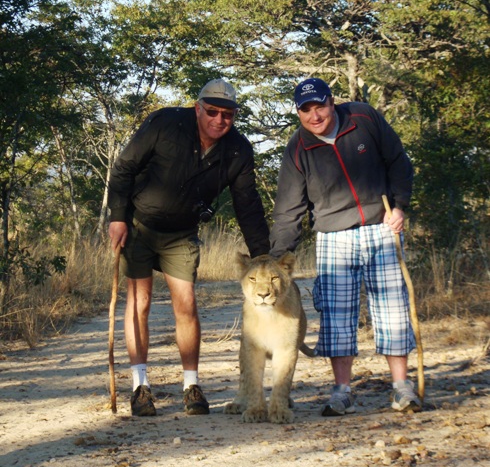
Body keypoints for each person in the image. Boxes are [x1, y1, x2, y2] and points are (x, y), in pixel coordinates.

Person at [108, 79, 270, 417]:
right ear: (198, 108)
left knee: (187, 304)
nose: (219, 120)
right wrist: (118, 217)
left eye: (227, 114)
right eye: (212, 111)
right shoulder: (164, 123)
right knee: (140, 303)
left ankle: (191, 385)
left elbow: (248, 203)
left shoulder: (238, 150)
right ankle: (140, 387)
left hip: (182, 233)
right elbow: (124, 167)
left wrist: (261, 256)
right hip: (139, 225)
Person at [269, 77, 422, 416]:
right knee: (337, 316)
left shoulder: (363, 118)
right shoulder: (297, 148)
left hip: (381, 225)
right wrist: (276, 259)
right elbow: (289, 211)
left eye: (319, 106)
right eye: (305, 110)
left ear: (331, 101)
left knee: (393, 309)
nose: (314, 115)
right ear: (298, 113)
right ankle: (342, 392)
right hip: (333, 236)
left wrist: (399, 207)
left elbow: (398, 161)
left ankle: (401, 388)